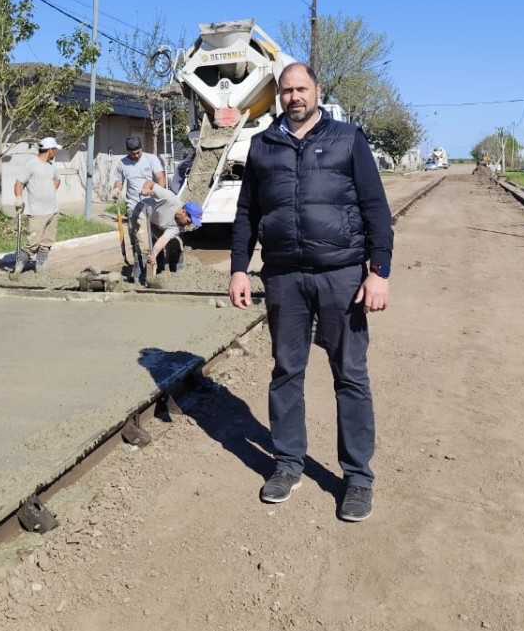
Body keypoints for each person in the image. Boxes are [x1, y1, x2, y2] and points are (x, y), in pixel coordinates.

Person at [229, 62, 393, 523]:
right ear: (278, 96)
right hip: (283, 278)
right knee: (286, 372)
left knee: (351, 375)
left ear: (317, 91)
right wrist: (240, 269)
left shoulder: (348, 139)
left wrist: (378, 272)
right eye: (286, 90)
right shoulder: (263, 146)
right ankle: (287, 464)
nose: (294, 97)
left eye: (302, 88)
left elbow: (376, 208)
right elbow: (246, 215)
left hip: (342, 275)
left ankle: (357, 477)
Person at [112, 135, 166, 277]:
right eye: (133, 153)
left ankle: (153, 272)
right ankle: (141, 274)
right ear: (128, 151)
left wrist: (158, 193)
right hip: (133, 206)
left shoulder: (151, 159)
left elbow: (160, 177)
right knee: (137, 240)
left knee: (151, 238)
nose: (136, 156)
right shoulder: (122, 164)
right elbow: (119, 181)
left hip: (152, 205)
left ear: (142, 149)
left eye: (138, 152)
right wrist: (116, 190)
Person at [133, 178, 203, 282]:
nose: (190, 224)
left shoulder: (179, 226)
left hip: (158, 223)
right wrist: (145, 188)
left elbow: (163, 240)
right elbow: (150, 183)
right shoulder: (170, 199)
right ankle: (139, 280)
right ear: (184, 212)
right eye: (190, 220)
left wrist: (153, 255)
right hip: (143, 212)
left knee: (175, 244)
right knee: (144, 245)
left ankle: (175, 277)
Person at [13, 137, 61, 273]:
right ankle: (19, 266)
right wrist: (18, 198)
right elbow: (19, 182)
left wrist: (49, 191)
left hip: (52, 210)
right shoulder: (32, 164)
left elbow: (57, 180)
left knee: (47, 242)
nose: (56, 152)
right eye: (55, 149)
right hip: (37, 212)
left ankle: (40, 267)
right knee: (32, 243)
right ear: (50, 150)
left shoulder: (51, 166)